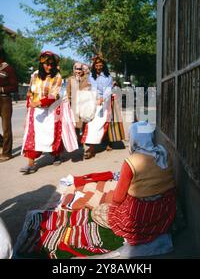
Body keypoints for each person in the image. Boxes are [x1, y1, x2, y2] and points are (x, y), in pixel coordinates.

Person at [92, 121, 176, 256]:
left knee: (98, 211)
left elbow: (118, 197)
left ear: (134, 138)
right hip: (165, 212)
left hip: (141, 216)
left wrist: (113, 210)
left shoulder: (132, 161)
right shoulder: (164, 154)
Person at [20, 51, 78, 174]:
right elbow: (30, 92)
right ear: (41, 63)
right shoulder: (35, 75)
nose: (49, 67)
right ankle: (31, 163)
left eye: (51, 64)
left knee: (52, 135)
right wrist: (29, 107)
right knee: (32, 137)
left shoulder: (57, 77)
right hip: (35, 112)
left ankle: (56, 155)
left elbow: (53, 95)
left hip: (51, 110)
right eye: (46, 64)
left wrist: (39, 102)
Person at [81, 54, 113, 159]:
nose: (98, 67)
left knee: (97, 125)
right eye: (96, 65)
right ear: (94, 66)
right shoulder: (91, 76)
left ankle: (92, 150)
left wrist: (101, 99)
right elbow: (89, 88)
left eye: (100, 65)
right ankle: (91, 147)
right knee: (90, 125)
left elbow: (108, 91)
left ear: (103, 65)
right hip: (92, 102)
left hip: (103, 103)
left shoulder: (108, 77)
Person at [66, 62, 91, 143]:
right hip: (74, 104)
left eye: (80, 69)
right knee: (76, 123)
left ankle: (83, 138)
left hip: (85, 104)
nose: (78, 71)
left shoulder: (87, 78)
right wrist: (68, 103)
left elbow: (90, 89)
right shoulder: (70, 79)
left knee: (84, 122)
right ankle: (78, 139)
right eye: (76, 69)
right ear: (74, 69)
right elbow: (68, 92)